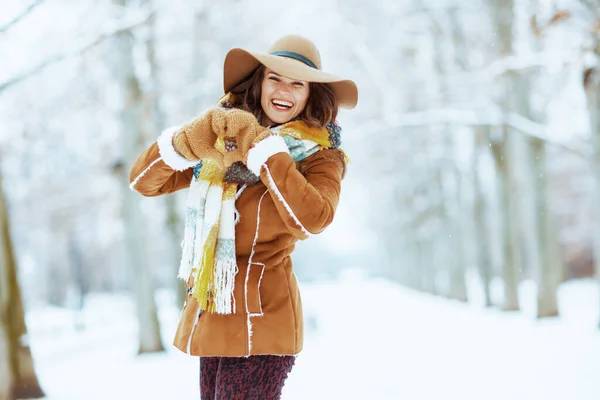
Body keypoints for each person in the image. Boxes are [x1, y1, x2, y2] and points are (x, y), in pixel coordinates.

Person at [129, 34, 358, 399]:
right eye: (275, 78)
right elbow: (143, 182)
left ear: (311, 93)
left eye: (297, 83)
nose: (284, 90)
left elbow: (312, 218)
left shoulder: (321, 156)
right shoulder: (225, 143)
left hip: (264, 317)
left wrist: (264, 150)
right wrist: (185, 141)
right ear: (260, 83)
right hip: (214, 310)